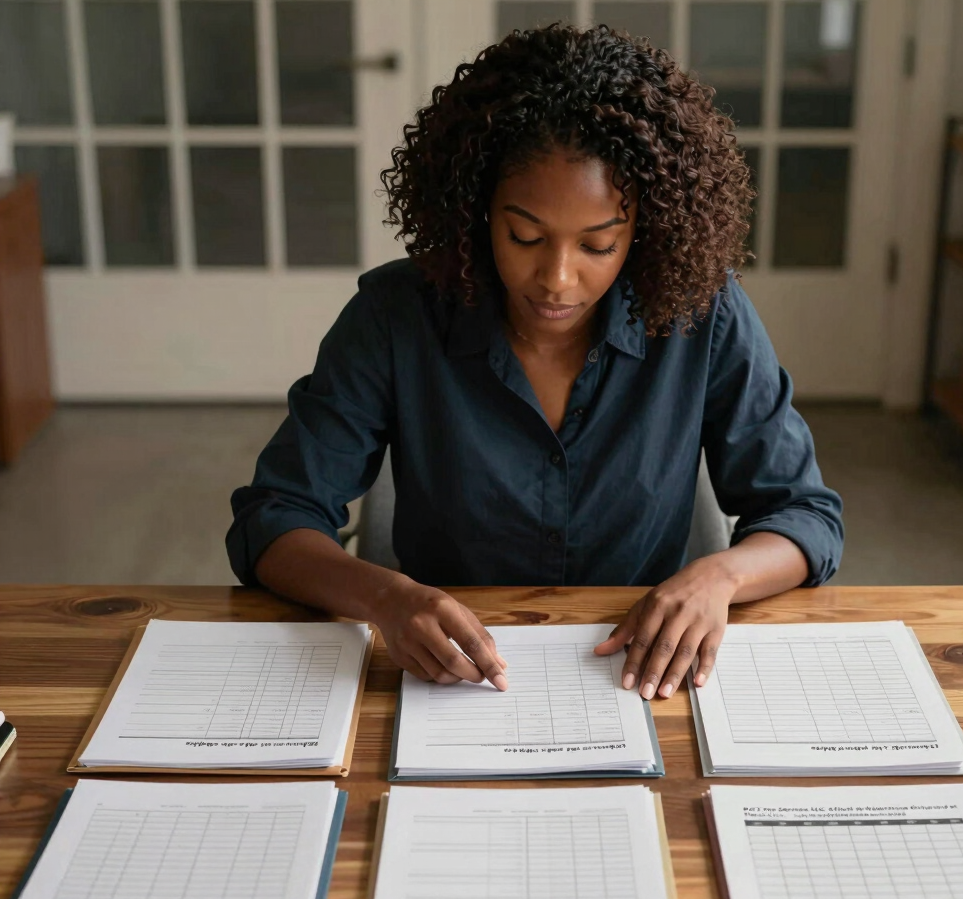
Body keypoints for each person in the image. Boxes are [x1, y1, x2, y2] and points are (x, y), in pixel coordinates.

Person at [227, 23, 843, 703]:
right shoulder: (395, 317)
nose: (557, 279)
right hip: (450, 682)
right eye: (524, 236)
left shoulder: (703, 313)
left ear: (647, 229)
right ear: (475, 211)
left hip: (639, 679)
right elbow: (273, 518)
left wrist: (719, 577)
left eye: (598, 246)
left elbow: (804, 515)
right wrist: (385, 597)